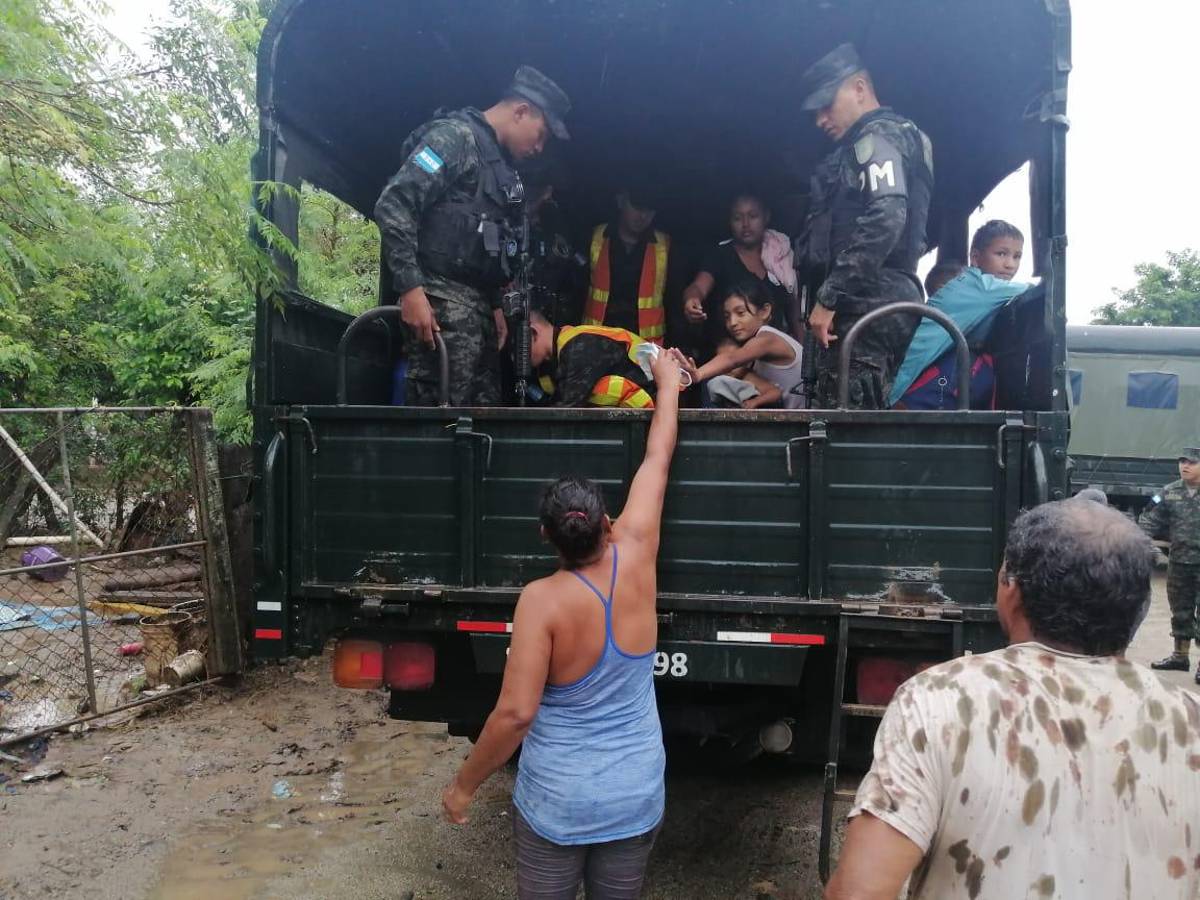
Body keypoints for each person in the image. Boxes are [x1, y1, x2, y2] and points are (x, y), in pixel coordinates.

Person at [826, 499, 1200, 900]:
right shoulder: (1189, 721)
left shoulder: (940, 701)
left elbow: (859, 892)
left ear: (1011, 592)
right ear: (1141, 607)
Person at [441, 350, 681, 899]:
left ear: (544, 536)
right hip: (636, 794)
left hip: (559, 803)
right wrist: (667, 384)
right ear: (606, 522)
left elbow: (516, 714)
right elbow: (658, 455)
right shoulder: (638, 551)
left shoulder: (541, 602)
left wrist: (463, 787)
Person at [375, 66, 570, 406]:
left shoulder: (496, 166)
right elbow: (395, 204)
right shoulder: (454, 138)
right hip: (439, 313)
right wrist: (409, 290)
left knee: (479, 430)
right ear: (521, 111)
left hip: (478, 319)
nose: (539, 147)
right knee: (437, 429)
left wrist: (495, 306)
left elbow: (485, 244)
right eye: (540, 134)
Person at [794, 43, 934, 409]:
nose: (821, 119)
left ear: (859, 88)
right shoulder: (894, 137)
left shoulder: (879, 137)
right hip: (875, 307)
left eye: (827, 104)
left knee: (843, 442)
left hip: (867, 311)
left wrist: (829, 297)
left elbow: (886, 218)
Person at [680, 193, 800, 358]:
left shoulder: (781, 256)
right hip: (727, 356)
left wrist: (802, 354)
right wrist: (691, 300)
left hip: (772, 357)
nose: (745, 224)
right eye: (738, 218)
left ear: (766, 217)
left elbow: (794, 310)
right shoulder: (720, 255)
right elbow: (699, 286)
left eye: (753, 216)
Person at [679, 280, 805, 410]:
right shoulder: (753, 352)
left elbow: (732, 359)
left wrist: (697, 374)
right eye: (727, 316)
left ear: (764, 311)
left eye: (740, 313)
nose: (732, 322)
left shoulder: (768, 338)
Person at [583, 187, 674, 346]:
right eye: (637, 207)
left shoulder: (665, 245)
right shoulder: (594, 237)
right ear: (620, 201)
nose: (643, 216)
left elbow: (673, 301)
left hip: (645, 348)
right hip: (597, 341)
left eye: (650, 210)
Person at [1139, 446, 1200, 679]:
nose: (1184, 466)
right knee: (1180, 610)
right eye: (1182, 461)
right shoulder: (1169, 492)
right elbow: (1149, 518)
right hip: (1180, 562)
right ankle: (1180, 657)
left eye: (1191, 462)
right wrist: (1141, 541)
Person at [529, 310, 660, 409]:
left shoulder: (579, 348)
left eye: (520, 348)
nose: (515, 357)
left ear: (533, 333)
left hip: (658, 407)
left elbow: (565, 409)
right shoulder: (564, 346)